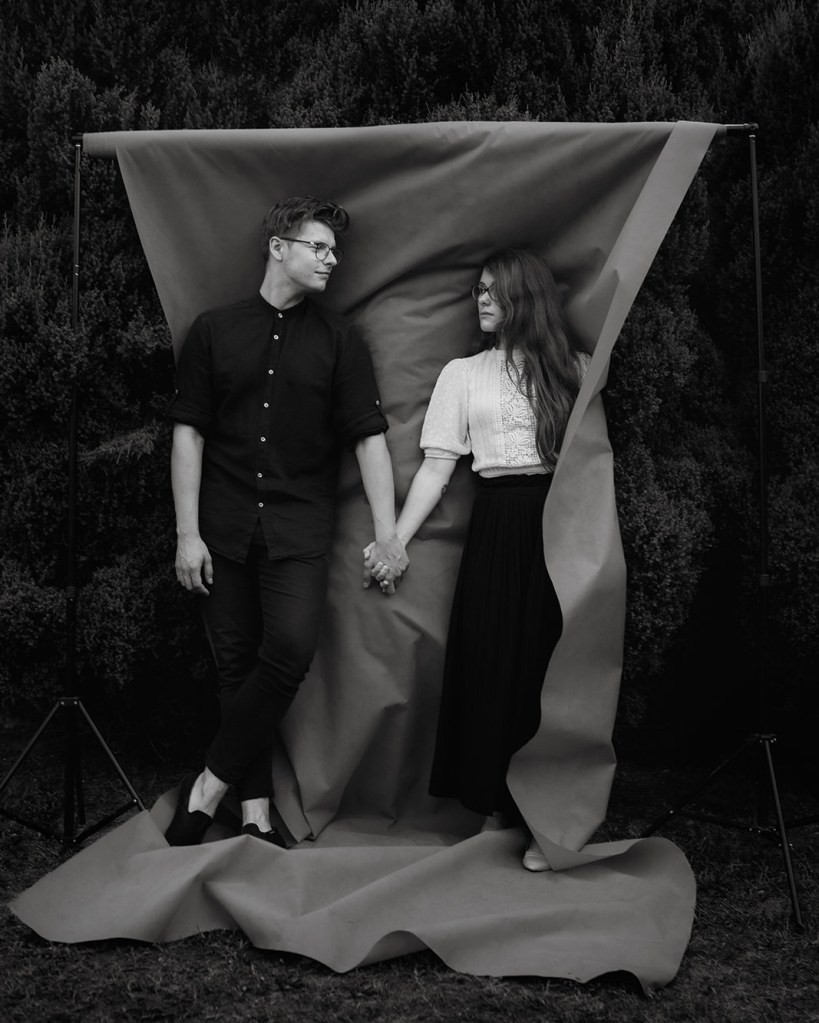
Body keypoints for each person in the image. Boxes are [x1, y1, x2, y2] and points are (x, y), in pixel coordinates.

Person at [165, 195, 408, 847]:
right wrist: (187, 533)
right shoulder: (213, 331)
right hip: (220, 527)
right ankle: (255, 814)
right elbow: (189, 434)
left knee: (290, 651)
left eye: (335, 251)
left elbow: (368, 440)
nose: (331, 260)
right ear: (278, 248)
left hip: (299, 529)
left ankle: (207, 787)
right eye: (318, 247)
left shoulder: (340, 340)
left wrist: (388, 533)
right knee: (234, 666)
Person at [365, 249, 587, 871]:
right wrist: (395, 542)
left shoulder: (575, 369)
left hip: (562, 523)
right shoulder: (462, 374)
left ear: (525, 296)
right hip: (496, 523)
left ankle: (544, 817)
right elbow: (436, 469)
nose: (482, 299)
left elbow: (593, 462)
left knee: (547, 667)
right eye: (478, 290)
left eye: (494, 290)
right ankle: (493, 805)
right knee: (490, 659)